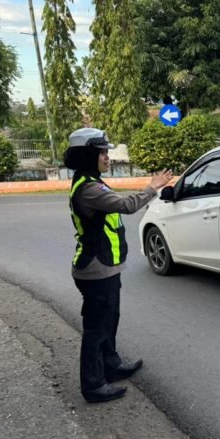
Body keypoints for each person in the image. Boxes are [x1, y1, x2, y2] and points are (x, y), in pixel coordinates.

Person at [64, 128, 173, 403]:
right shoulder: (88, 189)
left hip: (106, 268)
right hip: (95, 269)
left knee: (109, 320)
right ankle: (93, 385)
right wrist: (152, 187)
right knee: (96, 328)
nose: (107, 157)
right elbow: (125, 205)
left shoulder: (92, 182)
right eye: (102, 153)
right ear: (88, 156)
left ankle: (110, 365)